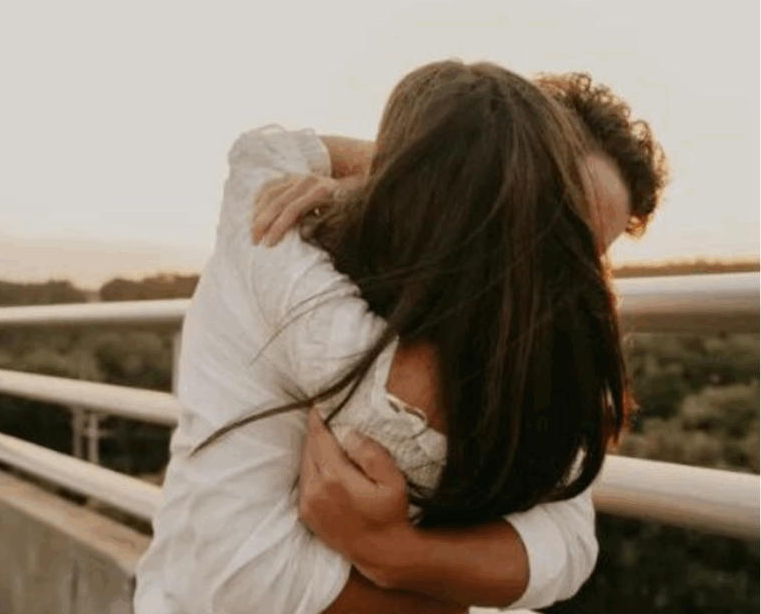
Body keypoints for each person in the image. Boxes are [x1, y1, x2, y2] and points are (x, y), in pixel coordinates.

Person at [134, 62, 667, 614]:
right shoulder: (286, 257)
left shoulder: (534, 343)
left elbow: (567, 541)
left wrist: (398, 554)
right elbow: (247, 572)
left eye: (586, 259)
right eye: (551, 226)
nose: (555, 279)